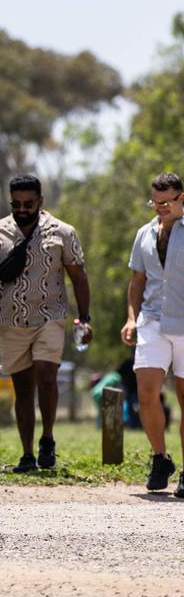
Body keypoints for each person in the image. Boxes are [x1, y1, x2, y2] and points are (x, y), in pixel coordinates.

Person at [0, 173, 91, 473]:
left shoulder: (63, 232)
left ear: (40, 201)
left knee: (46, 376)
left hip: (51, 315)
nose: (22, 209)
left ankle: (47, 438)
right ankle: (27, 455)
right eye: (17, 204)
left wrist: (84, 318)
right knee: (22, 389)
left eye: (29, 203)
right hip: (10, 320)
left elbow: (78, 277)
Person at [119, 172, 184, 496]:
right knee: (146, 393)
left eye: (166, 202)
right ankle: (161, 458)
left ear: (181, 198)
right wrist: (132, 319)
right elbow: (137, 281)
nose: (159, 208)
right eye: (155, 202)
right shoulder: (144, 234)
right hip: (152, 321)